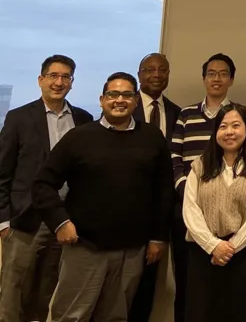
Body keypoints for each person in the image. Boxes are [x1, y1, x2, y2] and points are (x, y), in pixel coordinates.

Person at [31, 72, 174, 322]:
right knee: (71, 316)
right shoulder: (79, 137)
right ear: (102, 100)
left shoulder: (152, 138)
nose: (119, 100)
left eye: (127, 95)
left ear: (136, 101)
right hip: (84, 247)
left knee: (116, 317)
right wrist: (60, 222)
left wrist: (158, 236)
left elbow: (164, 190)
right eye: (113, 94)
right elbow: (43, 184)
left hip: (132, 250)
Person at [0, 55, 93, 322]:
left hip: (66, 219)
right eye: (53, 76)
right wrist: (3, 221)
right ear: (41, 80)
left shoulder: (84, 119)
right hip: (25, 219)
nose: (59, 82)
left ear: (72, 82)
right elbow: (2, 172)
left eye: (65, 77)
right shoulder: (19, 118)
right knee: (14, 290)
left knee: (50, 289)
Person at [183, 103, 246, 322]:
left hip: (245, 254)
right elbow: (190, 209)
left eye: (236, 125)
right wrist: (213, 245)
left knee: (241, 313)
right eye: (223, 126)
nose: (229, 132)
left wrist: (230, 247)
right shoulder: (200, 166)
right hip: (204, 253)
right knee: (202, 313)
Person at [170, 53, 236, 321]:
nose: (216, 79)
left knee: (222, 286)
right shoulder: (186, 115)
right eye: (211, 73)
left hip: (227, 215)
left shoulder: (238, 115)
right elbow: (174, 158)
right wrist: (188, 194)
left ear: (231, 80)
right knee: (187, 283)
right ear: (204, 78)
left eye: (223, 74)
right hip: (187, 212)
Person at [129, 52, 183, 322]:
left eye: (162, 70)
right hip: (125, 208)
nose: (156, 75)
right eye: (149, 70)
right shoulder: (124, 106)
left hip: (160, 212)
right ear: (139, 74)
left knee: (147, 286)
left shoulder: (177, 113)